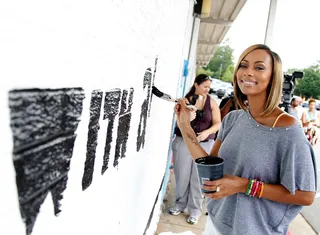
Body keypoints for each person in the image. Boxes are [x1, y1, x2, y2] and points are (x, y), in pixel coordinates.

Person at [175, 44, 317, 235]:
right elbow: (209, 167)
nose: (248, 72)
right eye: (243, 65)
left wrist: (244, 185)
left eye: (259, 67)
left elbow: (306, 196)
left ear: (273, 77)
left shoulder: (288, 132)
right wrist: (185, 125)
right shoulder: (234, 119)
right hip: (216, 222)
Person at [169, 74, 221, 225]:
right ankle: (179, 204)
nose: (207, 90)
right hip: (184, 142)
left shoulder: (211, 102)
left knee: (198, 180)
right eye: (205, 86)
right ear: (196, 85)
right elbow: (180, 123)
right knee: (182, 176)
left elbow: (218, 123)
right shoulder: (184, 100)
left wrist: (206, 132)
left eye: (209, 87)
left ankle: (195, 210)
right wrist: (187, 118)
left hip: (204, 144)